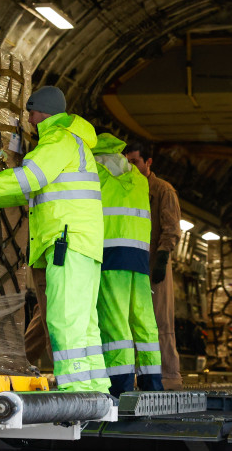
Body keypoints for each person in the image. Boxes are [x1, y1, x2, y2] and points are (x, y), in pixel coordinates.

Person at [0, 86, 109, 393]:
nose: (28, 118)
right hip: (83, 244)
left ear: (43, 112)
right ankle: (95, 385)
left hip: (66, 240)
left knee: (64, 317)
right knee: (84, 321)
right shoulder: (74, 141)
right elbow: (33, 188)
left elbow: (32, 177)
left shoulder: (58, 139)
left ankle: (75, 389)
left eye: (31, 111)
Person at [93, 133, 163, 396]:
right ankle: (152, 383)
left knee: (115, 323)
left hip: (110, 253)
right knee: (144, 321)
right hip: (139, 257)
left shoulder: (95, 172)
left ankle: (120, 386)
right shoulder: (137, 177)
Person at [125, 141, 184, 390]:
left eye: (135, 162)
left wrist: (161, 258)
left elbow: (171, 228)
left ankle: (170, 375)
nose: (131, 167)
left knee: (161, 321)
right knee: (133, 322)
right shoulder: (126, 188)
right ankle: (142, 375)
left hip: (155, 263)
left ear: (148, 162)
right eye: (127, 162)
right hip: (132, 265)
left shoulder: (162, 190)